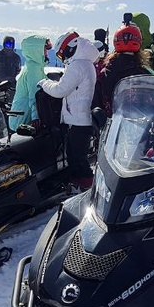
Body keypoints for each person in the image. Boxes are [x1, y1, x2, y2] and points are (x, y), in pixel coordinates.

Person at [38, 31, 97, 192]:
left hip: (78, 120)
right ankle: (80, 185)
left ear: (71, 48)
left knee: (77, 159)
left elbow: (60, 90)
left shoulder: (78, 65)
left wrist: (44, 83)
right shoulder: (85, 63)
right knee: (77, 156)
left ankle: (84, 188)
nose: (62, 57)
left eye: (62, 53)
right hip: (80, 118)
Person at [94, 23, 150, 117]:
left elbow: (97, 102)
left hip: (112, 127)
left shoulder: (107, 72)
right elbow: (152, 103)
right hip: (140, 126)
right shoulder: (144, 72)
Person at [8, 35, 49, 130]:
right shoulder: (33, 69)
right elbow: (35, 95)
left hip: (21, 116)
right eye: (45, 48)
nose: (47, 51)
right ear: (36, 50)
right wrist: (36, 117)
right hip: (22, 119)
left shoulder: (34, 65)